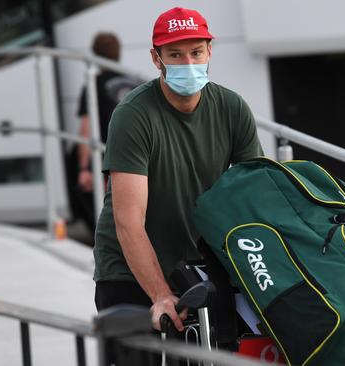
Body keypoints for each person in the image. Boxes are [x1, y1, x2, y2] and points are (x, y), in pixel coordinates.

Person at [93, 6, 263, 335]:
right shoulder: (132, 115)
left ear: (210, 52)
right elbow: (128, 222)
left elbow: (254, 198)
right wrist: (159, 294)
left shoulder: (232, 108)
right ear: (157, 59)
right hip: (130, 272)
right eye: (175, 54)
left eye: (196, 52)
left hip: (198, 265)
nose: (188, 64)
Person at [73, 32, 144, 232]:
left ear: (95, 53)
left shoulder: (93, 83)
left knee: (112, 214)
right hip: (139, 157)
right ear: (117, 53)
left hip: (108, 158)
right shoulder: (135, 82)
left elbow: (86, 129)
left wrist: (84, 168)